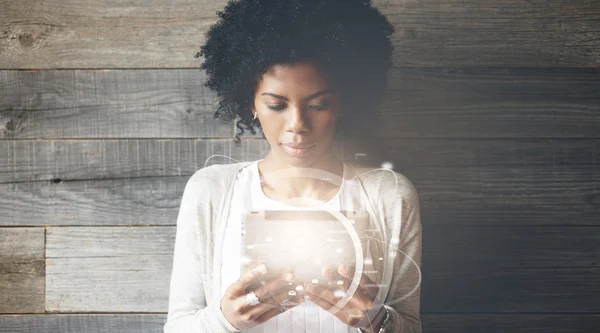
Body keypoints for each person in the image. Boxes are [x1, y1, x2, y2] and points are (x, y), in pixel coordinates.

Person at [164, 0, 422, 332]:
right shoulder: (212, 191)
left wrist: (377, 321)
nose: (297, 124)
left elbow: (411, 326)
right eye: (276, 105)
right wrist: (224, 320)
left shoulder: (389, 195)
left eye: (318, 104)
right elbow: (177, 325)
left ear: (343, 102)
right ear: (250, 103)